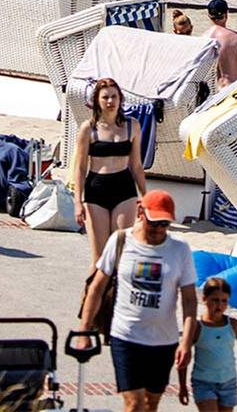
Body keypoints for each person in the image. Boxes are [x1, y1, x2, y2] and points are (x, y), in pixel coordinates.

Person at [74, 190, 196, 412]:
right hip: (126, 336)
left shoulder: (180, 250)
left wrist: (186, 342)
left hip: (163, 341)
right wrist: (84, 331)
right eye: (154, 222)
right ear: (141, 212)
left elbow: (189, 301)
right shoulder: (121, 240)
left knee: (151, 403)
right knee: (134, 403)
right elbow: (97, 287)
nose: (159, 229)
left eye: (164, 224)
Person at [176, 276, 237, 412]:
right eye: (215, 300)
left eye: (224, 301)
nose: (219, 305)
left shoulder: (233, 326)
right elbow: (184, 357)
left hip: (228, 383)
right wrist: (182, 386)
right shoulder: (198, 327)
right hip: (203, 383)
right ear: (204, 299)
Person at [75, 77, 147, 260]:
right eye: (105, 97)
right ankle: (93, 289)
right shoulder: (88, 129)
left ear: (120, 99)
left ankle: (117, 289)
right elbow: (81, 167)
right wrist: (77, 201)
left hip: (124, 187)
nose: (110, 101)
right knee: (100, 258)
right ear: (97, 101)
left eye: (114, 97)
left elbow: (136, 165)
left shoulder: (132, 126)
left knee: (120, 252)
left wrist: (146, 197)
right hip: (96, 188)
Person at [205, 0, 237, 85]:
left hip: (215, 93)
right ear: (226, 15)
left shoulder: (203, 38)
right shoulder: (235, 37)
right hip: (233, 88)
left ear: (209, 16)